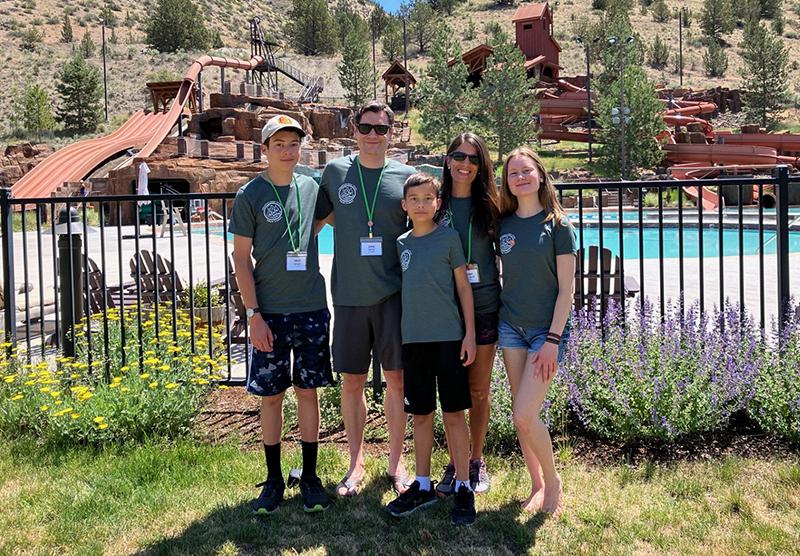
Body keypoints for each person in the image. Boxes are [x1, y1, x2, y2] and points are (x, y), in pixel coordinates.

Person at [230, 114, 334, 514]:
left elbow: (324, 219)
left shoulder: (310, 187)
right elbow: (241, 259)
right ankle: (274, 479)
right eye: (279, 145)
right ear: (265, 150)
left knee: (308, 392)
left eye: (294, 144)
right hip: (269, 313)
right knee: (271, 397)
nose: (288, 152)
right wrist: (253, 314)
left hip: (310, 307)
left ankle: (309, 476)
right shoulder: (250, 195)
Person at [314, 101, 415, 496]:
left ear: (392, 133)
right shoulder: (336, 172)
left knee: (396, 380)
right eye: (366, 127)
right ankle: (355, 465)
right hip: (350, 296)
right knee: (352, 381)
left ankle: (396, 462)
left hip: (393, 296)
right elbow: (316, 220)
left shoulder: (406, 177)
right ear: (354, 130)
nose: (373, 135)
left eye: (381, 128)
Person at [386, 173, 477, 525]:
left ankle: (464, 486)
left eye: (428, 197)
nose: (421, 204)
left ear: (438, 203)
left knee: (454, 413)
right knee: (421, 414)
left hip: (449, 340)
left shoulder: (449, 239)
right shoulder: (402, 243)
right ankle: (422, 483)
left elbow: (464, 290)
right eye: (415, 198)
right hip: (414, 342)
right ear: (405, 205)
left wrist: (469, 335)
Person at [496, 147, 576, 515]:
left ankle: (553, 480)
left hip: (546, 334)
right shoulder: (504, 223)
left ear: (541, 175)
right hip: (511, 327)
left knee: (525, 414)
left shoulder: (559, 225)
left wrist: (552, 341)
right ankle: (536, 485)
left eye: (526, 171)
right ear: (507, 183)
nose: (520, 177)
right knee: (520, 412)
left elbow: (567, 290)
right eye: (513, 173)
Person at [434, 132, 500, 497]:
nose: (466, 164)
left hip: (486, 307)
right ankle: (455, 461)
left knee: (478, 390)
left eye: (474, 159)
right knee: (452, 393)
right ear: (448, 160)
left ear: (482, 165)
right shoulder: (435, 205)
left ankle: (476, 460)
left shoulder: (492, 204)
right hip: (445, 311)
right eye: (459, 156)